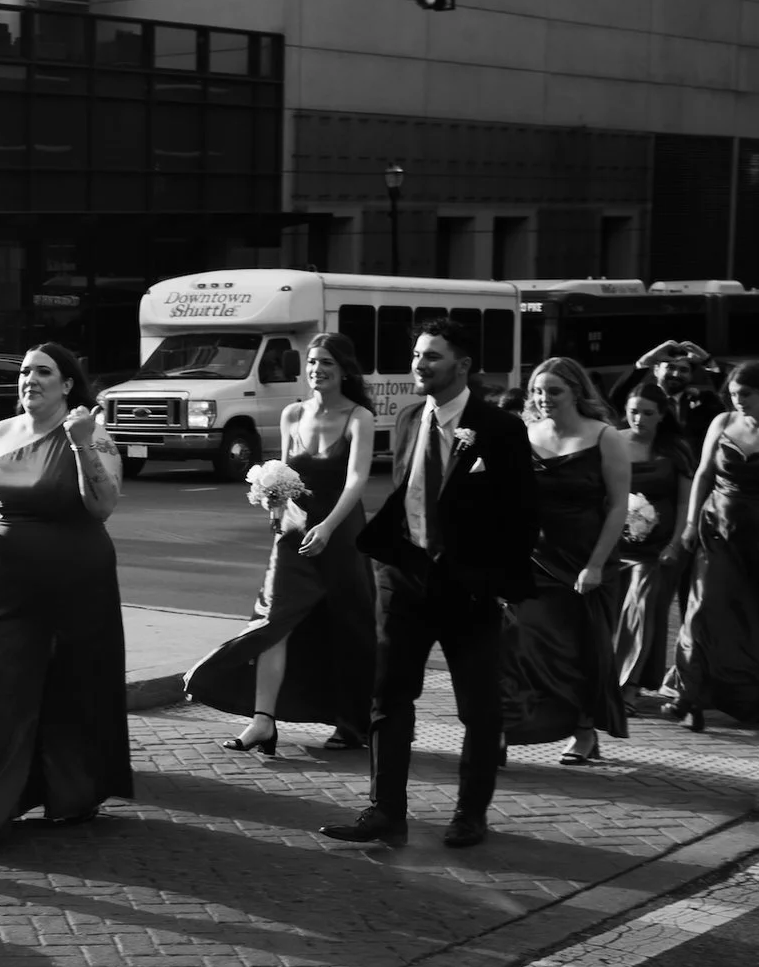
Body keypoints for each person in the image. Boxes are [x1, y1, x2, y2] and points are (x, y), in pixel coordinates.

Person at [325, 320, 537, 850]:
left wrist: (496, 585)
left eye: (433, 357)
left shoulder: (501, 430)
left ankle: (470, 815)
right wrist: (389, 565)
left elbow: (521, 517)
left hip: (469, 589)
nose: (420, 365)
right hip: (405, 581)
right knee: (389, 698)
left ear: (462, 366)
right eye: (417, 355)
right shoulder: (408, 417)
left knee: (479, 709)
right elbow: (406, 493)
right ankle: (384, 812)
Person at [0, 344, 134, 855]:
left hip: (76, 584)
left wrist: (83, 444)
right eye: (24, 371)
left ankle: (71, 794)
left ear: (67, 384)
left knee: (71, 690)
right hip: (2, 589)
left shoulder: (89, 431)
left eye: (43, 372)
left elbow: (103, 506)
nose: (30, 379)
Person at [186, 331, 378, 754]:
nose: (317, 370)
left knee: (348, 627)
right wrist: (272, 503)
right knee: (275, 622)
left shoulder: (358, 417)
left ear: (344, 369)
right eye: (312, 362)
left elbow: (357, 480)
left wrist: (327, 527)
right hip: (291, 536)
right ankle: (263, 721)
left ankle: (352, 722)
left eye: (326, 362)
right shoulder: (292, 414)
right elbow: (282, 475)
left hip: (340, 532)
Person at [664, 362, 759, 728]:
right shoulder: (721, 423)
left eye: (746, 395)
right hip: (717, 530)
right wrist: (689, 524)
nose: (739, 402)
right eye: (733, 395)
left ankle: (753, 696)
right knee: (704, 610)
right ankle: (691, 693)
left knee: (756, 618)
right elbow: (703, 474)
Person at [501, 358, 632, 764]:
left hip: (582, 560)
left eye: (553, 391)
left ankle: (584, 731)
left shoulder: (605, 437)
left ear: (576, 391)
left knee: (579, 650)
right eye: (538, 391)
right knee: (515, 643)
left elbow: (617, 507)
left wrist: (595, 565)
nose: (543, 399)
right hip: (533, 557)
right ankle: (505, 727)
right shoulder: (524, 434)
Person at [613, 386, 697, 709]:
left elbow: (685, 501)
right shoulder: (612, 440)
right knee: (614, 614)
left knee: (642, 608)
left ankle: (629, 686)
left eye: (648, 413)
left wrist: (676, 543)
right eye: (633, 411)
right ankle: (607, 679)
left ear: (662, 415)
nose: (639, 418)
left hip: (658, 550)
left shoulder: (675, 449)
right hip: (615, 546)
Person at [610, 342, 727, 429]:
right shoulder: (641, 398)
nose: (676, 374)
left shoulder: (704, 401)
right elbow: (614, 401)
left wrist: (708, 361)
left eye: (684, 370)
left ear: (691, 376)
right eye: (670, 368)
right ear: (656, 370)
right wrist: (645, 361)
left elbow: (731, 398)